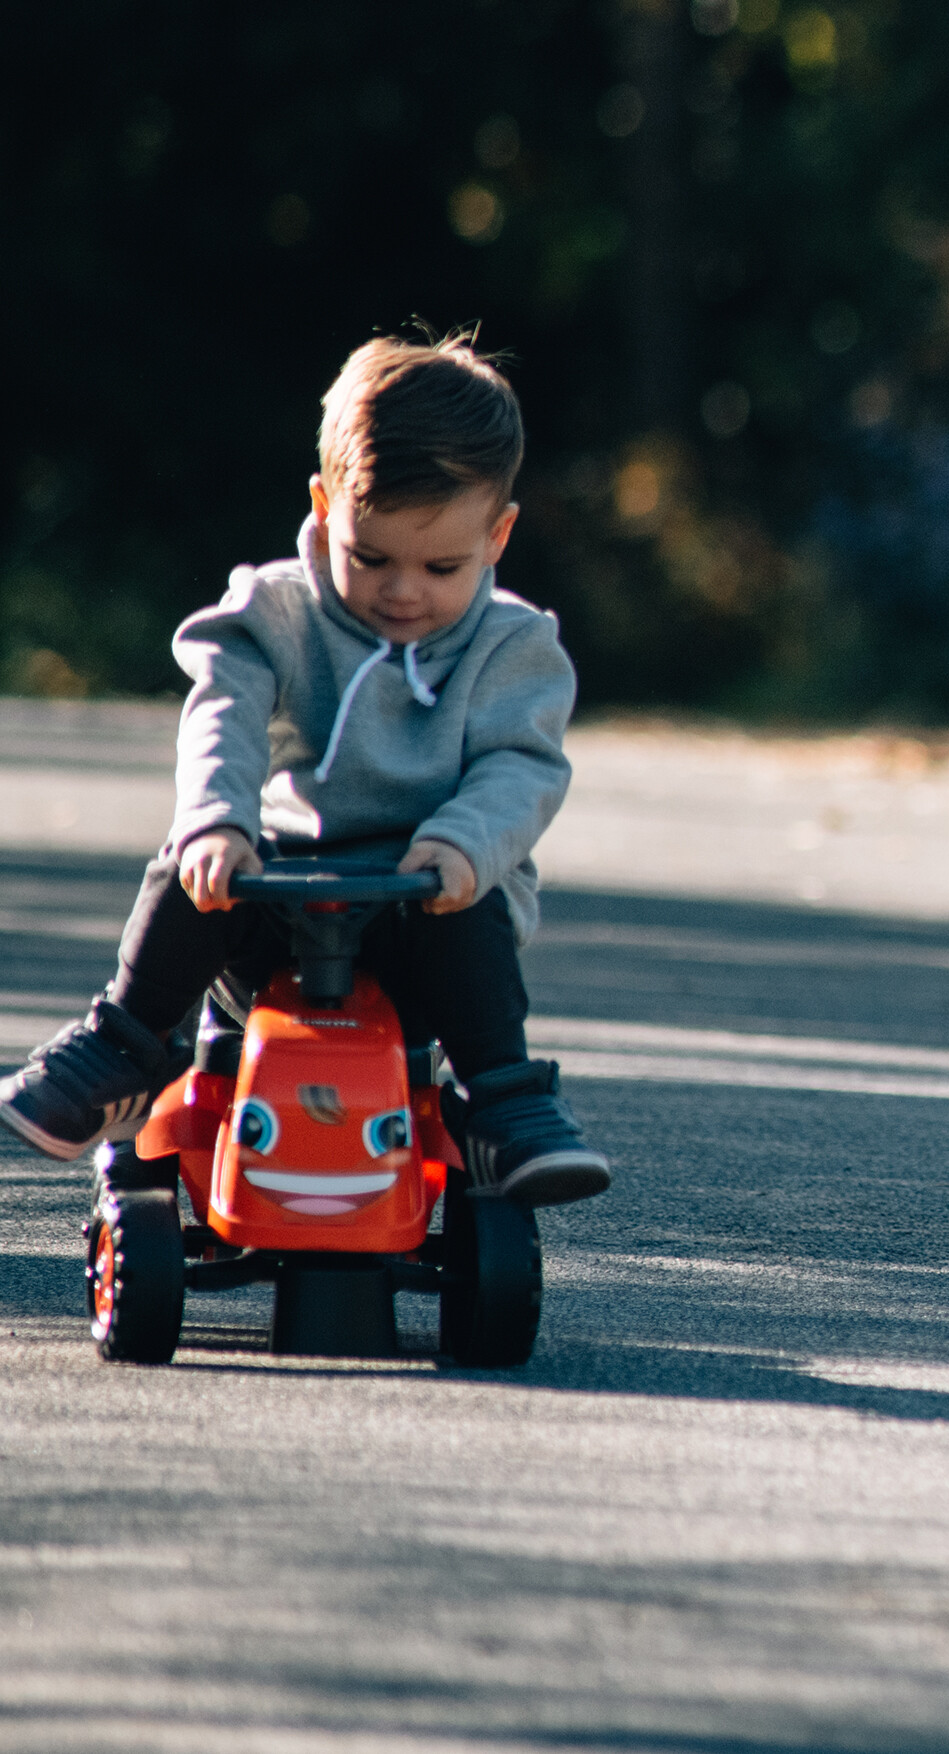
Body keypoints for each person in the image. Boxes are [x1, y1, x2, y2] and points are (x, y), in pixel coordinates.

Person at [0, 334, 611, 1206]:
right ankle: (126, 1044)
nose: (403, 591)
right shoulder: (275, 612)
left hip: (421, 906)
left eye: (441, 567)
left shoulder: (514, 649)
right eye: (370, 557)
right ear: (326, 510)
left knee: (470, 912)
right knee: (193, 870)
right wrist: (219, 821)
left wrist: (463, 845)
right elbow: (224, 712)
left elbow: (522, 766)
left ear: (498, 535)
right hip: (277, 899)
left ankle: (504, 1102)